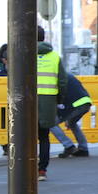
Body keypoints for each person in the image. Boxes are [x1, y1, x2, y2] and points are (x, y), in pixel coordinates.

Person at [37, 26, 67, 181]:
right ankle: (42, 170)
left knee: (24, 137)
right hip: (48, 102)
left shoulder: (23, 54)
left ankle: (24, 168)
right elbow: (62, 81)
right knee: (43, 136)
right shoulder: (54, 56)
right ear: (43, 37)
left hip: (27, 102)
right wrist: (60, 100)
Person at [51, 71, 91, 158]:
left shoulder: (56, 78)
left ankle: (69, 146)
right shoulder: (65, 75)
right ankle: (83, 149)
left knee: (51, 122)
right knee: (72, 123)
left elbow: (57, 96)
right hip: (85, 102)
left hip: (75, 104)